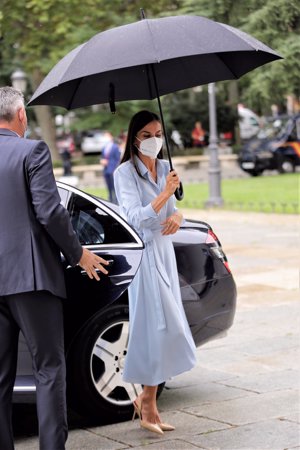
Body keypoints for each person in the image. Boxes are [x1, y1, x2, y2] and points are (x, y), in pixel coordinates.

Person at [0, 86, 109, 450]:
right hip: (31, 279)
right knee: (49, 369)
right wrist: (79, 254)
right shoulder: (32, 150)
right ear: (21, 116)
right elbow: (50, 211)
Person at [114, 110, 196, 435]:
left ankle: (148, 403)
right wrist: (164, 193)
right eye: (146, 135)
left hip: (165, 255)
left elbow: (172, 215)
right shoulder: (124, 173)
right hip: (144, 258)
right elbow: (136, 219)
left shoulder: (165, 168)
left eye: (158, 133)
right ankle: (147, 401)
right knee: (160, 329)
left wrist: (179, 217)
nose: (154, 140)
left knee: (162, 330)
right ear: (134, 138)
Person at [100, 132, 121, 203]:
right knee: (108, 187)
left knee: (114, 188)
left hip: (112, 170)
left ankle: (115, 202)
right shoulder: (104, 148)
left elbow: (117, 159)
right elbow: (102, 157)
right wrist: (102, 161)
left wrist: (114, 169)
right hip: (106, 170)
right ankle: (110, 200)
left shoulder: (115, 147)